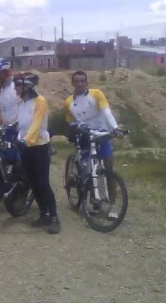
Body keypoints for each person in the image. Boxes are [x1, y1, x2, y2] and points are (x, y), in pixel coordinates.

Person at [64, 70, 122, 213]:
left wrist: (115, 128)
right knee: (87, 171)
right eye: (77, 81)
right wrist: (74, 129)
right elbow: (70, 122)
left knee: (108, 167)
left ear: (86, 82)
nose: (80, 84)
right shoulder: (68, 102)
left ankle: (112, 205)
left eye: (83, 81)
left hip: (101, 134)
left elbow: (106, 112)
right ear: (72, 83)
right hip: (84, 137)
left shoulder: (96, 94)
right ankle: (93, 200)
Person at [13, 72, 60, 234]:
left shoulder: (40, 101)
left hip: (39, 146)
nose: (15, 88)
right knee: (33, 182)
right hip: (25, 147)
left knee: (43, 182)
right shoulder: (22, 103)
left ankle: (54, 217)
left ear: (27, 86)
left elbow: (37, 124)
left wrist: (26, 140)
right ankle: (43, 214)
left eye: (17, 85)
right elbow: (21, 124)